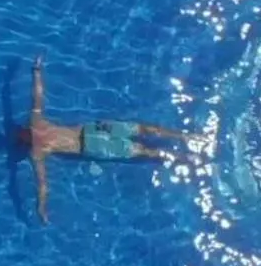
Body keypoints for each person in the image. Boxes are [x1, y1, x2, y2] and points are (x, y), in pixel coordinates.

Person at [13, 57, 207, 224]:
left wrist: (37, 71)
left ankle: (185, 138)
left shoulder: (36, 124)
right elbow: (42, 182)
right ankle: (185, 155)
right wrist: (42, 206)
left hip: (92, 131)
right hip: (93, 144)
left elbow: (37, 95)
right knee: (142, 148)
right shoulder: (37, 145)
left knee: (142, 132)